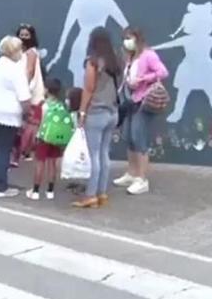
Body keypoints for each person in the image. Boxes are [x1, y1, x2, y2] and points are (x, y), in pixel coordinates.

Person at [113, 27, 168, 196]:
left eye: (129, 38)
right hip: (130, 101)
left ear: (138, 38)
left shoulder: (148, 55)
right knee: (128, 137)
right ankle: (132, 173)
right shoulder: (130, 57)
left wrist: (143, 79)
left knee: (139, 138)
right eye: (124, 38)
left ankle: (142, 179)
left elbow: (163, 72)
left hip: (143, 101)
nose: (126, 41)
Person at [72, 27, 122, 208]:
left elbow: (88, 88)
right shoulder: (116, 61)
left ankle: (90, 194)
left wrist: (82, 112)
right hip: (112, 112)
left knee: (93, 155)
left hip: (96, 112)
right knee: (104, 153)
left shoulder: (92, 62)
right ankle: (102, 193)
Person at [0, 36, 31, 198]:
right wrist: (27, 114)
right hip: (7, 115)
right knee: (4, 149)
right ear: (15, 51)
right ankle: (1, 186)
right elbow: (24, 97)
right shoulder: (16, 70)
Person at [28, 78, 72, 201]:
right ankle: (50, 191)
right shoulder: (62, 106)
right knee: (52, 164)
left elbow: (37, 122)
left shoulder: (43, 105)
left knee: (40, 163)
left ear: (46, 90)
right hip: (56, 139)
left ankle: (36, 191)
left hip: (43, 138)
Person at [12, 23, 46, 166]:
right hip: (24, 92)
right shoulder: (21, 52)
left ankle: (19, 154)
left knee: (25, 126)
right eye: (21, 34)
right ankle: (21, 153)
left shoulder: (31, 52)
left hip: (30, 94)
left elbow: (29, 72)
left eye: (27, 35)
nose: (24, 37)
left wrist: (22, 89)